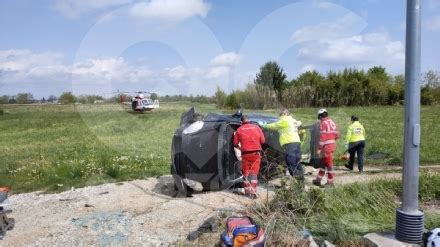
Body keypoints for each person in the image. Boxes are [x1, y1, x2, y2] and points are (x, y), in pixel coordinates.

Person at [263, 108, 304, 178]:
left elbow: (274, 125)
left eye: (281, 114)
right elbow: (299, 122)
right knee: (296, 161)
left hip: (290, 144)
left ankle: (297, 178)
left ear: (284, 114)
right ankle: (301, 177)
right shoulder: (293, 121)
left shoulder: (284, 120)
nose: (280, 116)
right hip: (297, 143)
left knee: (290, 162)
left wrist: (264, 125)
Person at [233, 115, 265, 198]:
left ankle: (247, 191)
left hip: (245, 154)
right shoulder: (256, 127)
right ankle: (253, 192)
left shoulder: (239, 130)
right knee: (254, 173)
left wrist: (241, 148)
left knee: (246, 172)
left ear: (241, 122)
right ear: (249, 120)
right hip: (256, 153)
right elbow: (263, 141)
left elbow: (235, 144)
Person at [312, 109, 339, 187]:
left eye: (319, 118)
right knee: (323, 164)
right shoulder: (332, 122)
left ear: (320, 116)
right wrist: (332, 140)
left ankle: (330, 183)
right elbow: (337, 135)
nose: (319, 120)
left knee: (329, 165)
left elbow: (322, 137)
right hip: (332, 145)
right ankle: (318, 180)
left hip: (326, 147)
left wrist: (319, 148)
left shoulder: (323, 123)